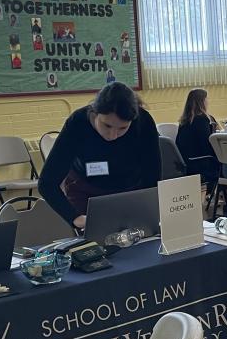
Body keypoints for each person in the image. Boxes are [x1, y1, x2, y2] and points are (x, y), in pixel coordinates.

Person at [38, 82, 160, 229]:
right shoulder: (77, 122)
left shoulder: (143, 122)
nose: (113, 135)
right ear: (94, 113)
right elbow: (47, 183)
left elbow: (153, 175)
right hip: (85, 193)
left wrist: (146, 208)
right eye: (107, 125)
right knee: (95, 240)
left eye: (123, 128)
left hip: (130, 192)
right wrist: (74, 217)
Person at [175, 89, 219, 187]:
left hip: (186, 163)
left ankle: (224, 193)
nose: (208, 101)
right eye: (207, 99)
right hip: (200, 164)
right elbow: (207, 146)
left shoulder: (184, 121)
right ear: (202, 102)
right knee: (226, 163)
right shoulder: (202, 120)